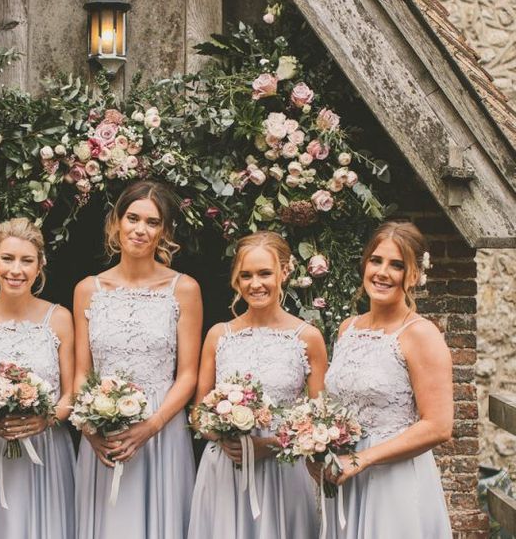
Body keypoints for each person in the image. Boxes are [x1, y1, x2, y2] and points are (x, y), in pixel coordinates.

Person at [73, 181, 203, 538]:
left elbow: (188, 374)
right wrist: (88, 427)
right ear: (116, 222)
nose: (140, 230)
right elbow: (82, 371)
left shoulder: (184, 289)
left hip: (161, 429)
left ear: (164, 231)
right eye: (133, 218)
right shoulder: (88, 289)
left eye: (152, 222)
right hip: (103, 431)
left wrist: (152, 426)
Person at [318, 221, 453, 538]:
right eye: (376, 260)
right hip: (346, 475)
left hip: (394, 480)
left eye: (396, 265)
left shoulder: (420, 334)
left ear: (414, 275)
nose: (382, 272)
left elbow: (438, 425)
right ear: (364, 264)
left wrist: (362, 459)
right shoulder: (348, 328)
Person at [188, 231, 326, 538]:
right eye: (246, 275)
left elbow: (319, 422)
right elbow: (198, 413)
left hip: (283, 471)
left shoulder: (308, 338)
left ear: (285, 272)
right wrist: (222, 434)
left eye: (265, 273)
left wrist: (270, 445)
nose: (255, 284)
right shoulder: (218, 335)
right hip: (226, 469)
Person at [0, 218, 75, 539]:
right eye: (7, 259)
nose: (15, 270)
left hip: (46, 450)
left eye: (26, 260)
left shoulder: (60, 319)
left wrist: (45, 419)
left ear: (40, 266)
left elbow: (71, 394)